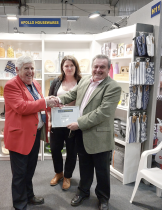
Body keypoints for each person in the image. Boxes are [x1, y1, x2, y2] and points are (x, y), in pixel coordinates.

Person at [51, 54, 121, 210]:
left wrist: (79, 123)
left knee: (102, 170)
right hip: (81, 134)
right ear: (92, 67)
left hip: (99, 136)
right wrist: (56, 100)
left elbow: (103, 112)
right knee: (84, 166)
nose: (98, 70)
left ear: (108, 69)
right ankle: (83, 192)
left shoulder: (113, 87)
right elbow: (72, 95)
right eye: (96, 66)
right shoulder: (84, 81)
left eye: (102, 67)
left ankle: (103, 198)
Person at [4, 55, 56, 210]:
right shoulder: (11, 85)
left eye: (32, 68)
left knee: (30, 169)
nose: (30, 71)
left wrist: (50, 101)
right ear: (18, 69)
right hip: (19, 136)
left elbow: (37, 103)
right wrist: (45, 102)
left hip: (34, 133)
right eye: (26, 68)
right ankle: (20, 205)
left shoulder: (35, 83)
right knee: (19, 173)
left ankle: (29, 196)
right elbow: (22, 107)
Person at [48, 55, 81, 190]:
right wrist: (49, 120)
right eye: (66, 65)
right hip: (57, 121)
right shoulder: (56, 82)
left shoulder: (82, 82)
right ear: (62, 67)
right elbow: (49, 102)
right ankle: (58, 173)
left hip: (74, 123)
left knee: (72, 151)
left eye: (71, 65)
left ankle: (67, 176)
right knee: (55, 149)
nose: (69, 68)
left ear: (75, 67)